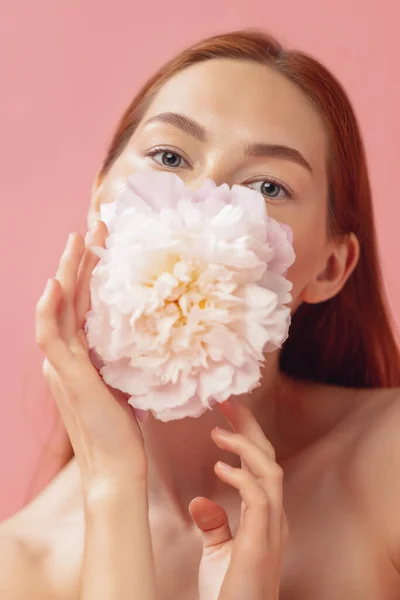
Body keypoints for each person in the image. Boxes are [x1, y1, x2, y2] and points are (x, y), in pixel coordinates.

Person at [1, 28, 400, 600]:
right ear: (100, 203)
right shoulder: (21, 566)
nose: (202, 199)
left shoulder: (387, 460)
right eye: (168, 157)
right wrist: (113, 488)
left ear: (331, 269)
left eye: (268, 186)